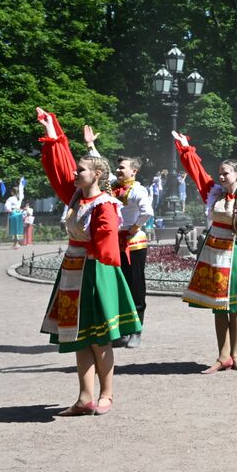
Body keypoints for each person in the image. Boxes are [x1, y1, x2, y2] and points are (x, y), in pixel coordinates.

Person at [35, 108, 141, 416]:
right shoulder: (75, 198)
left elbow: (107, 244)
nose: (74, 173)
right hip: (73, 271)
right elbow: (59, 166)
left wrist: (99, 274)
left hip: (95, 272)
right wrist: (52, 130)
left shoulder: (105, 204)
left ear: (95, 175)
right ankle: (84, 397)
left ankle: (106, 394)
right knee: (79, 338)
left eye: (80, 170)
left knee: (99, 338)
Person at [171, 131, 237, 373]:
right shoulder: (214, 193)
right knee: (219, 307)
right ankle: (223, 356)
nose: (220, 176)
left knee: (236, 307)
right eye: (220, 172)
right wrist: (186, 148)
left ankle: (236, 354)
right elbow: (197, 173)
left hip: (234, 254)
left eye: (225, 173)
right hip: (213, 253)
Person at [84, 129, 155, 349]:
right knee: (118, 285)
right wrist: (90, 146)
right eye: (118, 167)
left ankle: (136, 330)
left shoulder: (137, 190)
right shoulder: (115, 185)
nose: (117, 170)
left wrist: (134, 227)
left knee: (135, 286)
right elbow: (101, 165)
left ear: (134, 171)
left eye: (122, 167)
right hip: (116, 242)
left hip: (133, 243)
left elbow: (148, 212)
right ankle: (122, 330)